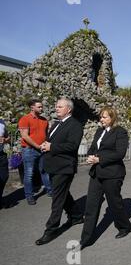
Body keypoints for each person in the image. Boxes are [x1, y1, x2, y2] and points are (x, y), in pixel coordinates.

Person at [79, 107, 131, 247]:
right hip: (97, 173)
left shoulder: (120, 132)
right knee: (91, 204)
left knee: (114, 203)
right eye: (101, 117)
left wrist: (100, 159)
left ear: (112, 118)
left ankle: (124, 226)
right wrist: (91, 155)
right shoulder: (99, 131)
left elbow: (119, 153)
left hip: (113, 174)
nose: (101, 119)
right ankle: (86, 238)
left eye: (104, 117)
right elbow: (93, 148)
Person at [35, 98, 84, 246]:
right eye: (56, 106)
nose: (56, 109)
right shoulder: (56, 123)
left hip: (64, 167)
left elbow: (72, 146)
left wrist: (52, 147)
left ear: (68, 109)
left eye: (60, 107)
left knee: (57, 198)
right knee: (62, 193)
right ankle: (76, 216)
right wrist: (46, 144)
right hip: (53, 165)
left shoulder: (75, 125)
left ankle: (51, 229)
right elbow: (53, 141)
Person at [18, 99, 53, 205]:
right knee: (29, 174)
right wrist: (37, 146)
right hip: (29, 150)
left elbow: (46, 135)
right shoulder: (25, 119)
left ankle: (50, 191)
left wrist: (45, 144)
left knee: (45, 171)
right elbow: (24, 136)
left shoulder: (44, 120)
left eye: (42, 106)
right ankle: (29, 196)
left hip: (42, 149)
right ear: (32, 107)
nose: (41, 108)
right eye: (39, 107)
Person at [0, 119, 10, 209]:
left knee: (4, 176)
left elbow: (7, 137)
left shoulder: (2, 122)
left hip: (1, 154)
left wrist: (5, 140)